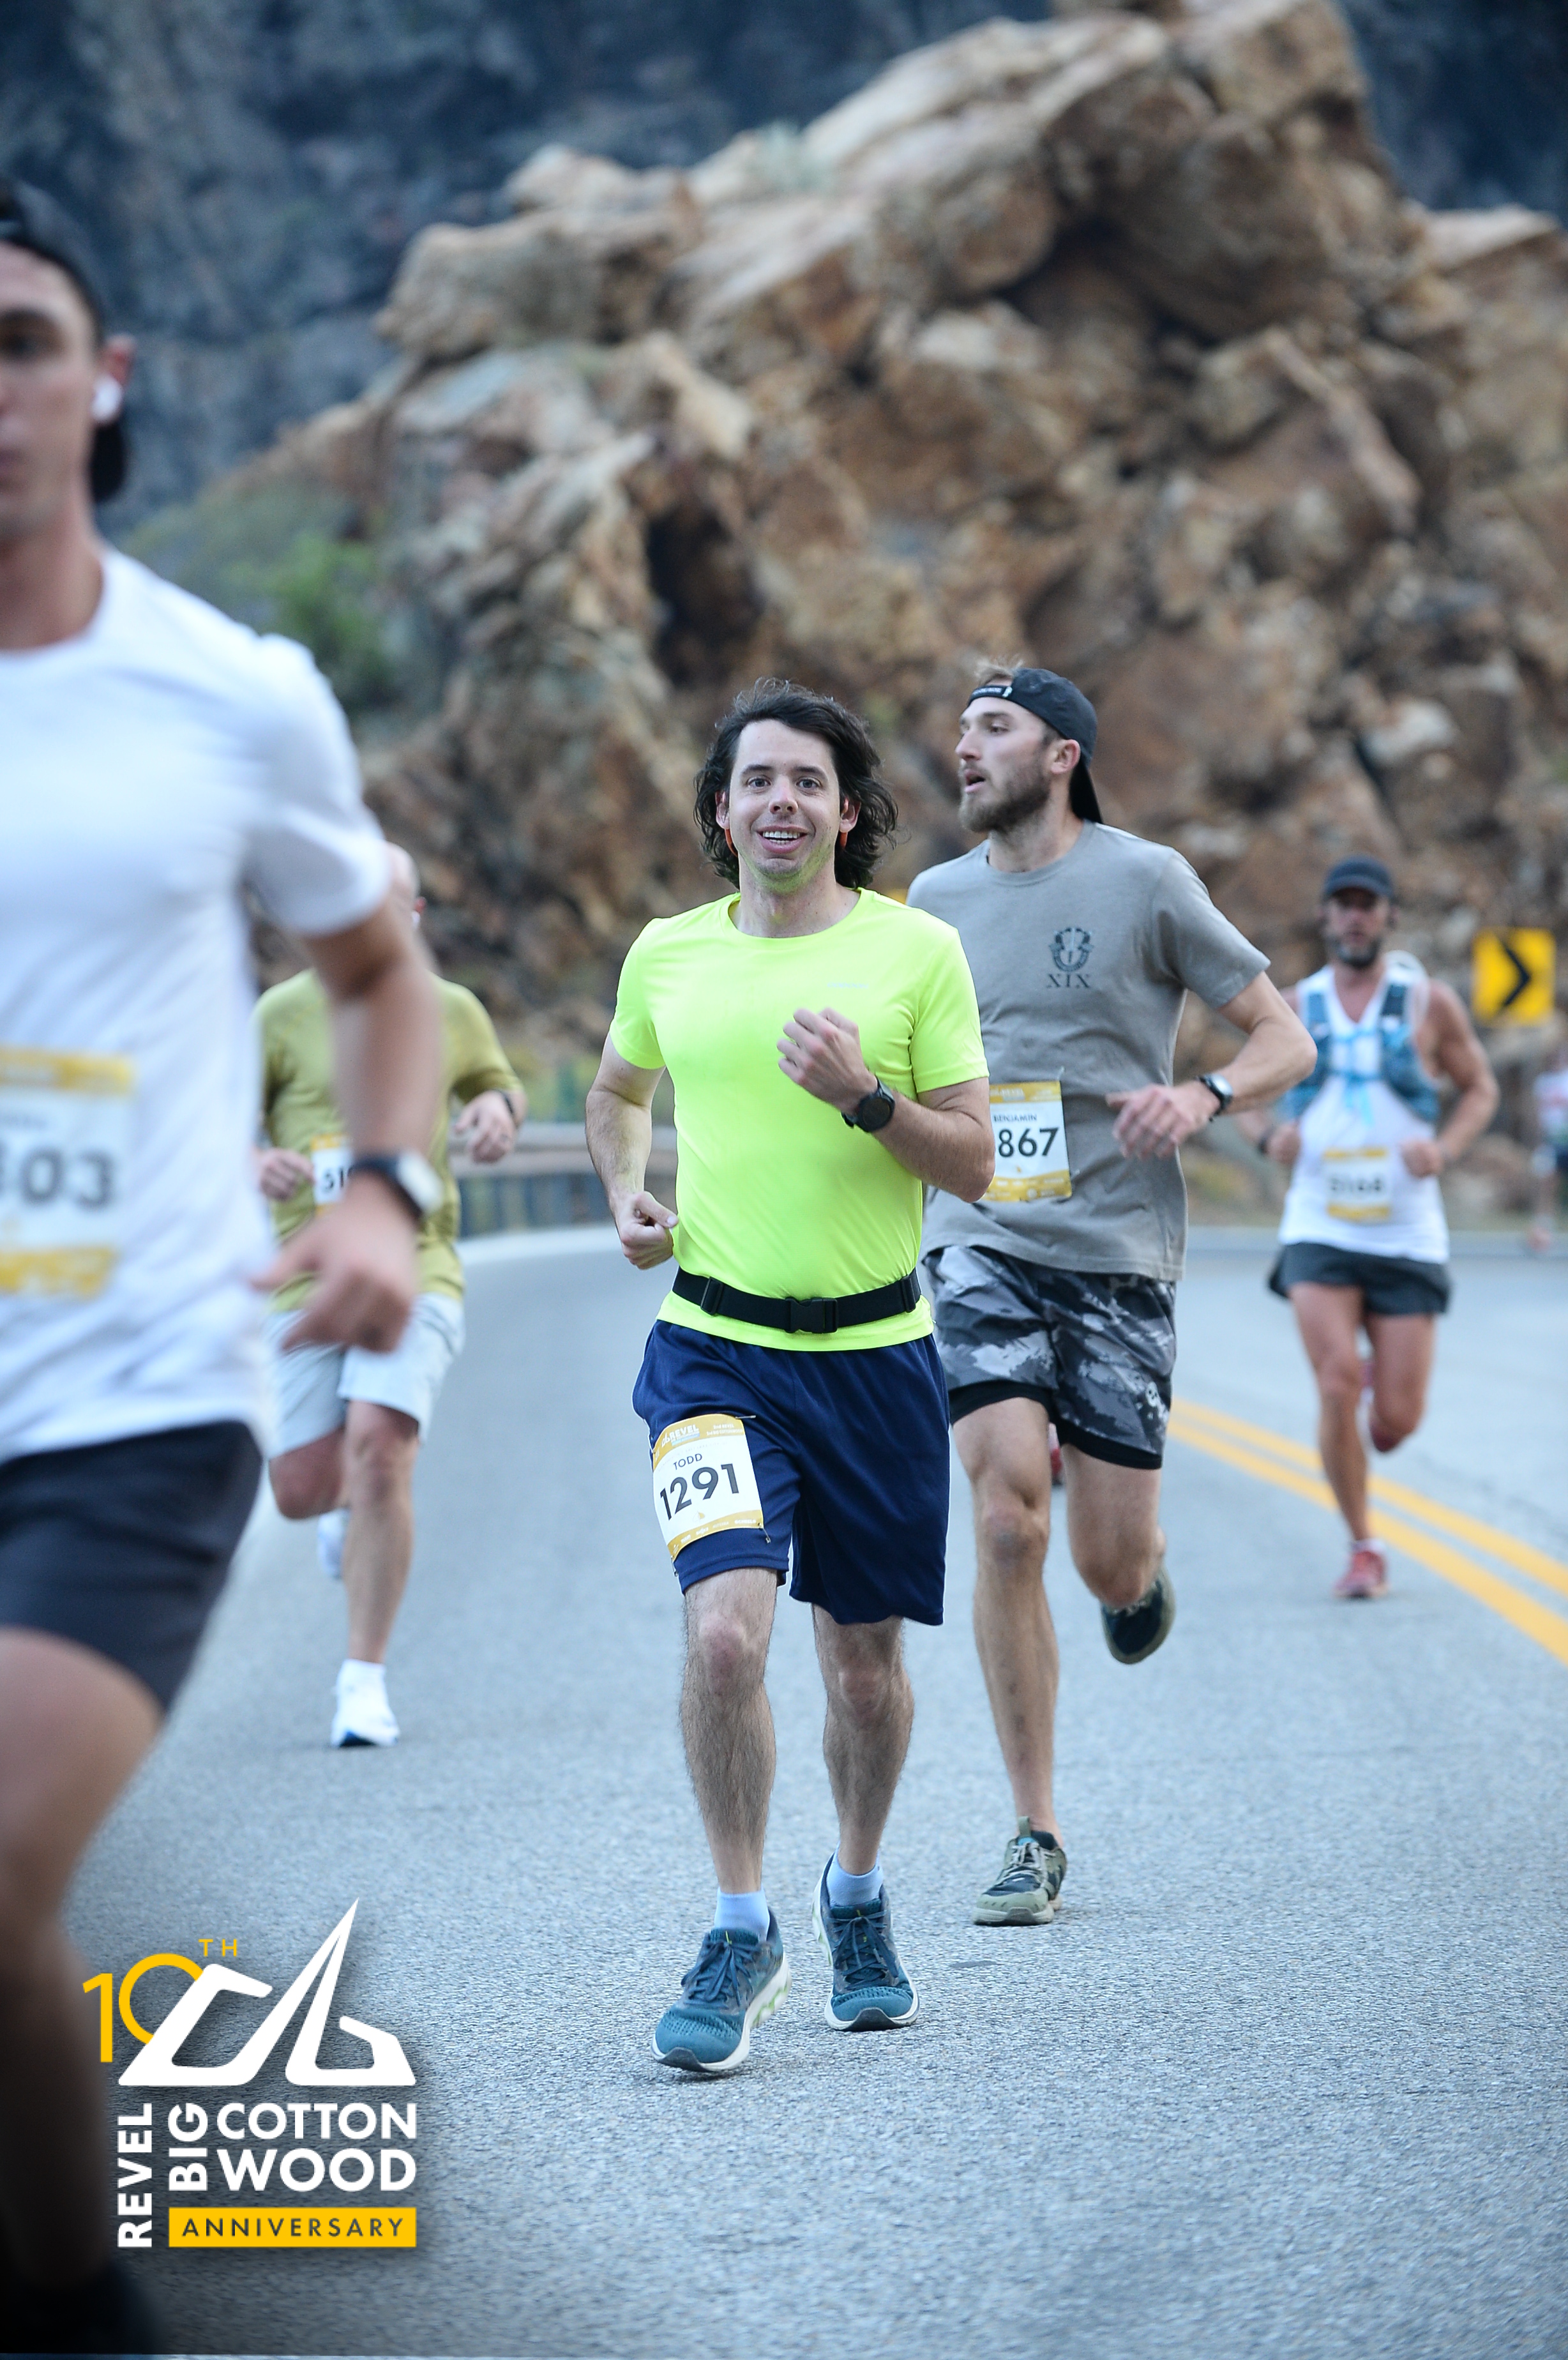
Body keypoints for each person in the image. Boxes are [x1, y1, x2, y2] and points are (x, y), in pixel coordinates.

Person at [0, 178, 441, 2354]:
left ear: (103, 382)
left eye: (16, 342)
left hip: (128, 1396)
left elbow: (377, 967)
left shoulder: (229, 693)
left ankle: (80, 2310)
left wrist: (378, 1190)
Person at [587, 678, 991, 2073]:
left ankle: (855, 1896)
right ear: (721, 810)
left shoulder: (917, 953)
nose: (780, 801)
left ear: (847, 810)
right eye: (756, 779)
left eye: (808, 781)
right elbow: (615, 1092)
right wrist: (625, 1189)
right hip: (711, 1348)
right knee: (723, 1638)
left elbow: (975, 1162)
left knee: (864, 1674)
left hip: (876, 1359)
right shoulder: (667, 956)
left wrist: (865, 1098)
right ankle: (739, 1923)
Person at [907, 665, 1315, 1927]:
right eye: (962, 728)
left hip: (1118, 1247)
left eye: (994, 728)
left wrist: (1201, 1096)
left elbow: (1284, 1037)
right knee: (1004, 1521)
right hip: (978, 1231)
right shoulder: (931, 903)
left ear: (1061, 755)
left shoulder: (1146, 882)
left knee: (1102, 1559)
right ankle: (1033, 1829)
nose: (965, 747)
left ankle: (1141, 1573)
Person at [255, 846, 525, 1746]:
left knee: (381, 1448)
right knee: (300, 1488)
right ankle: (341, 1514)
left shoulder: (447, 1008)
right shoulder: (280, 1015)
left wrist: (497, 1112)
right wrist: (256, 1160)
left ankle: (362, 1681)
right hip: (306, 1272)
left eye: (394, 907)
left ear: (413, 917)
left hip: (419, 1262)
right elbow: (219, 1123)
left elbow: (496, 1084)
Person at [1242, 856, 1498, 1599]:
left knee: (1395, 1419)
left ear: (1388, 917)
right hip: (1318, 1225)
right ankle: (1363, 1545)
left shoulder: (1427, 1003)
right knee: (1333, 1384)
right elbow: (1238, 1087)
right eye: (1343, 904)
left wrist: (1443, 1149)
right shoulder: (1294, 1004)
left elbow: (1479, 1088)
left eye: (1367, 905)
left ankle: (1378, 1410)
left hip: (1404, 1231)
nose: (1354, 917)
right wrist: (1269, 1138)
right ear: (1324, 917)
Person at [1527, 1033, 1568, 1253]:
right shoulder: (1543, 1082)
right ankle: (1543, 1230)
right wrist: (1538, 1141)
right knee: (1547, 1184)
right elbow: (1536, 1114)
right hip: (1551, 1141)